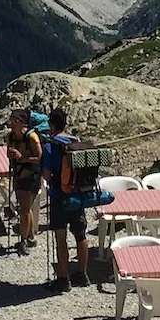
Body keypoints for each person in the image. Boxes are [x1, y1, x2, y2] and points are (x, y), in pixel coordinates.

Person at [40, 108, 89, 289]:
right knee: (80, 235)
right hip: (78, 195)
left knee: (61, 239)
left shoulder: (49, 146)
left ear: (51, 125)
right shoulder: (75, 142)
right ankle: (82, 275)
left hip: (59, 196)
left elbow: (46, 175)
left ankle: (63, 279)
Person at [6, 108, 42, 253]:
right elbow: (8, 154)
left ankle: (23, 241)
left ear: (21, 122)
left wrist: (21, 157)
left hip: (31, 175)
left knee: (24, 210)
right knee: (26, 208)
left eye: (14, 121)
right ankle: (30, 237)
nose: (11, 123)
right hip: (19, 173)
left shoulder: (32, 137)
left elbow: (40, 158)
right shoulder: (11, 136)